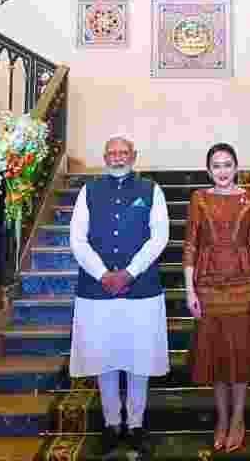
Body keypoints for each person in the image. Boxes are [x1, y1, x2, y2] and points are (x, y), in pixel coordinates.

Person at [69, 133, 170, 456]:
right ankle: (112, 424)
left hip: (141, 289)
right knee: (105, 357)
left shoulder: (151, 191)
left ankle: (136, 424)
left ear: (134, 155)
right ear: (104, 156)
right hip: (97, 291)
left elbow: (160, 237)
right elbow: (77, 239)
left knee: (139, 358)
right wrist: (102, 274)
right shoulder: (89, 190)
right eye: (112, 152)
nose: (118, 157)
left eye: (123, 152)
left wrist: (129, 272)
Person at [183, 143, 250, 453]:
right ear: (209, 170)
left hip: (244, 284)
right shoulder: (199, 198)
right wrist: (189, 288)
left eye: (227, 164)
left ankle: (237, 419)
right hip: (207, 284)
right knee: (216, 355)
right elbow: (191, 244)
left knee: (240, 356)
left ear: (236, 167)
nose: (222, 171)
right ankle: (221, 419)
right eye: (216, 165)